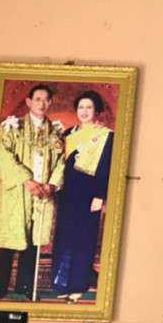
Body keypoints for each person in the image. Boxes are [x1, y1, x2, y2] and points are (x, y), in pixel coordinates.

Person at [0, 82, 64, 301]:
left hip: (43, 193)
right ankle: (0, 288)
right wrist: (26, 180)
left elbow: (61, 161)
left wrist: (51, 185)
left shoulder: (55, 132)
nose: (42, 103)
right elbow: (4, 156)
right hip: (19, 191)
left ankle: (25, 287)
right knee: (10, 240)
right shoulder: (13, 127)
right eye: (37, 99)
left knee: (33, 242)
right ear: (29, 102)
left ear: (50, 103)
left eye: (46, 100)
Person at [51, 89, 114, 301]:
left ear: (97, 110)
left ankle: (78, 286)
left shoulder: (106, 136)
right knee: (64, 236)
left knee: (83, 238)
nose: (84, 111)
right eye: (81, 107)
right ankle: (62, 285)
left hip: (89, 193)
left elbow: (106, 167)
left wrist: (100, 195)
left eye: (89, 107)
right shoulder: (68, 134)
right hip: (67, 192)